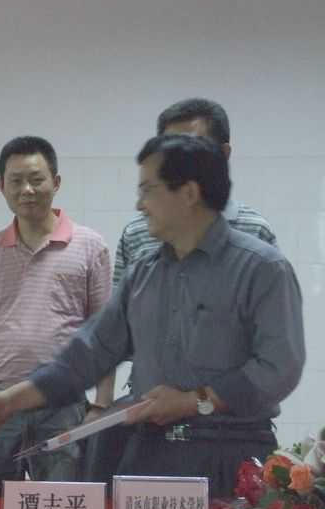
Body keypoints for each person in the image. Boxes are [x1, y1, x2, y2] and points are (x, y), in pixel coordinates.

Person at [0, 134, 304, 499]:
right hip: (149, 456)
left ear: (189, 193)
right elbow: (86, 355)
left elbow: (278, 367)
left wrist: (194, 401)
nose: (139, 204)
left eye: (148, 190)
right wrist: (8, 401)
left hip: (230, 457)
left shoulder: (261, 269)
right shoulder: (143, 275)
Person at [86, 98, 278, 484]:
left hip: (232, 434)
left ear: (223, 155)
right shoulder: (138, 234)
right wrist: (102, 405)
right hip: (151, 433)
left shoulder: (255, 233)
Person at [0, 136, 112, 497]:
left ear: (56, 182)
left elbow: (106, 333)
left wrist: (102, 404)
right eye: (16, 181)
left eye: (37, 179)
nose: (27, 190)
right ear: (1, 186)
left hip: (61, 405)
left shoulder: (90, 246)